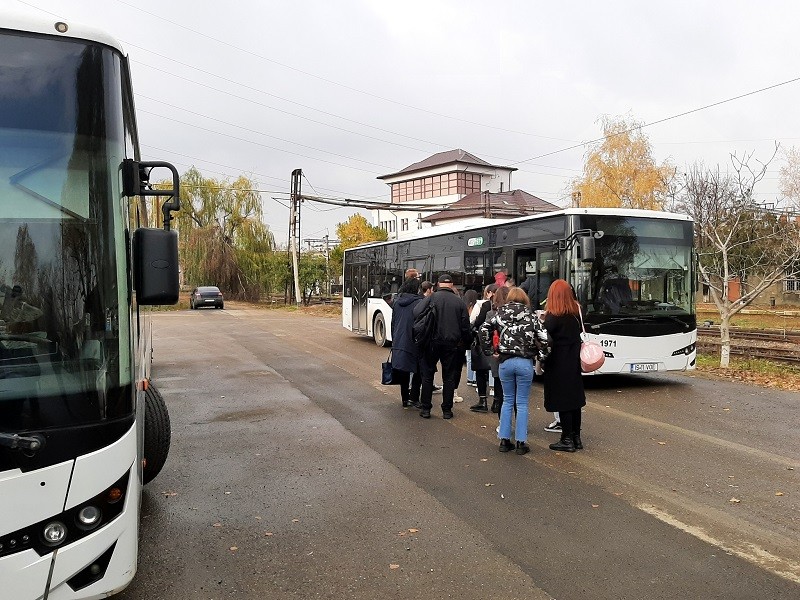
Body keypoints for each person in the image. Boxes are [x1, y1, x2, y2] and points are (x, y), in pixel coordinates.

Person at [480, 287, 542, 455]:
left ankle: (504, 440)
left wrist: (489, 350)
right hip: (524, 362)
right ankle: (521, 443)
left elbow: (483, 329)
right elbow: (544, 338)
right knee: (521, 403)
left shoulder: (499, 314)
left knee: (507, 401)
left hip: (505, 362)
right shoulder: (531, 316)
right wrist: (542, 355)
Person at [414, 273, 472, 419]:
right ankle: (447, 410)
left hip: (430, 343)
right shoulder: (459, 302)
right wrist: (465, 343)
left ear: (438, 285)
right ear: (452, 285)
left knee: (427, 376)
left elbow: (416, 312)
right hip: (451, 344)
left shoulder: (431, 298)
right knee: (449, 377)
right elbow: (465, 326)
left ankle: (426, 409)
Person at [542, 279, 587, 452]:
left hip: (558, 364)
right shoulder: (577, 314)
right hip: (574, 362)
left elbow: (544, 339)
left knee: (563, 402)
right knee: (575, 401)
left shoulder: (553, 318)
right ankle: (576, 437)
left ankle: (566, 438)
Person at [390, 278, 423, 408]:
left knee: (403, 371)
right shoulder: (419, 302)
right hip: (414, 340)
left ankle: (405, 399)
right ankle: (414, 398)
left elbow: (393, 322)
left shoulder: (396, 302)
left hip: (399, 340)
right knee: (418, 370)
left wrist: (395, 338)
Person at [465, 288, 493, 412]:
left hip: (484, 343)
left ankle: (483, 400)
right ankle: (497, 401)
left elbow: (479, 322)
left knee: (481, 370)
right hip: (501, 346)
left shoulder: (486, 305)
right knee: (496, 373)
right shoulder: (507, 307)